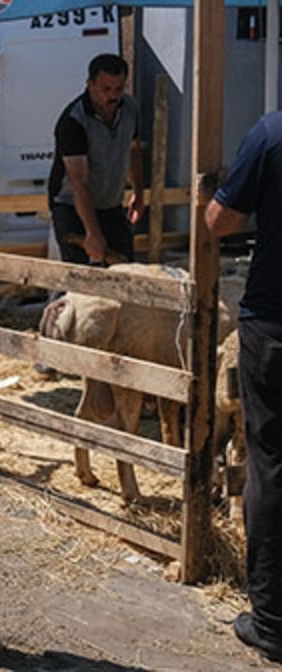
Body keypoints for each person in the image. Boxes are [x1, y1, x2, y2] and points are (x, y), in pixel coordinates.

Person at [206, 112, 282, 663]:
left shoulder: (272, 133)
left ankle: (273, 621)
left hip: (276, 320)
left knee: (271, 462)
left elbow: (218, 221)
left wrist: (225, 190)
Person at [47, 53, 144, 265]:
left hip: (110, 205)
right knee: (78, 278)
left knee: (126, 269)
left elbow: (134, 150)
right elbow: (78, 181)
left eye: (119, 89)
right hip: (72, 207)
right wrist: (92, 232)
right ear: (90, 84)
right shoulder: (73, 122)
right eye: (106, 89)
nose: (113, 96)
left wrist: (138, 192)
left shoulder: (130, 109)